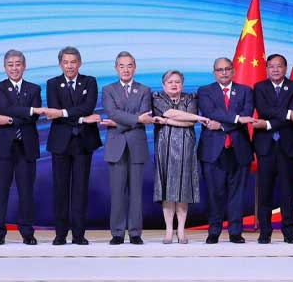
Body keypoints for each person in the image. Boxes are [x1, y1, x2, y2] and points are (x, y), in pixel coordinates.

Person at [40, 46, 102, 245]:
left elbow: (87, 106)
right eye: (65, 62)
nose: (69, 66)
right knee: (61, 189)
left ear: (79, 63)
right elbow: (53, 110)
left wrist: (64, 114)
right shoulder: (52, 84)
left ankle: (78, 234)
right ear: (60, 64)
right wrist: (83, 119)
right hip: (60, 143)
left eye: (73, 62)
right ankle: (60, 234)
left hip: (84, 143)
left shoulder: (89, 82)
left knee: (80, 189)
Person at [196, 58, 255, 244]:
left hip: (239, 149)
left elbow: (247, 114)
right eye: (219, 70)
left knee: (237, 193)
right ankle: (214, 230)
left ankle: (235, 231)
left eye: (227, 69)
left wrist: (221, 126)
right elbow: (210, 112)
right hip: (213, 150)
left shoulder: (245, 91)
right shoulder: (205, 91)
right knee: (215, 193)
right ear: (214, 72)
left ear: (234, 71)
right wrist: (236, 120)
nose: (224, 73)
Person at [0, 50, 41, 245]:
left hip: (26, 146)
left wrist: (11, 117)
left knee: (26, 191)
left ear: (24, 66)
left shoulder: (34, 89)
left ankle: (27, 232)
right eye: (10, 64)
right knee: (1, 190)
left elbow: (33, 117)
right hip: (3, 146)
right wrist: (26, 112)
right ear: (5, 67)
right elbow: (3, 108)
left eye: (18, 64)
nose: (14, 68)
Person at [100, 52, 153, 245]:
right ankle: (117, 232)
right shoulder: (108, 90)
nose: (126, 69)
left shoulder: (145, 90)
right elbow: (112, 112)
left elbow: (146, 113)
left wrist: (118, 122)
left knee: (136, 192)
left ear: (135, 67)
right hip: (116, 146)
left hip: (137, 145)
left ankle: (135, 232)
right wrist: (137, 119)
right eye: (122, 66)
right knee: (117, 192)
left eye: (129, 65)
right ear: (116, 68)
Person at [252, 54, 293, 244]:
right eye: (271, 66)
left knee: (288, 191)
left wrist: (267, 124)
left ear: (286, 68)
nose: (275, 70)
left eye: (279, 66)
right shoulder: (259, 87)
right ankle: (265, 232)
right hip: (265, 146)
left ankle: (289, 232)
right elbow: (264, 109)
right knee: (264, 191)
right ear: (266, 69)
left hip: (288, 145)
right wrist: (289, 113)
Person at [151, 70, 200, 244]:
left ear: (182, 84)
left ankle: (181, 230)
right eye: (170, 82)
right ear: (164, 85)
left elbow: (189, 122)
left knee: (182, 188)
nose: (174, 84)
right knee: (167, 189)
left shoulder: (190, 98)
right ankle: (169, 230)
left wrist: (187, 119)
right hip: (165, 147)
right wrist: (195, 117)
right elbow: (169, 114)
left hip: (186, 147)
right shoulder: (157, 97)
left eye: (177, 82)